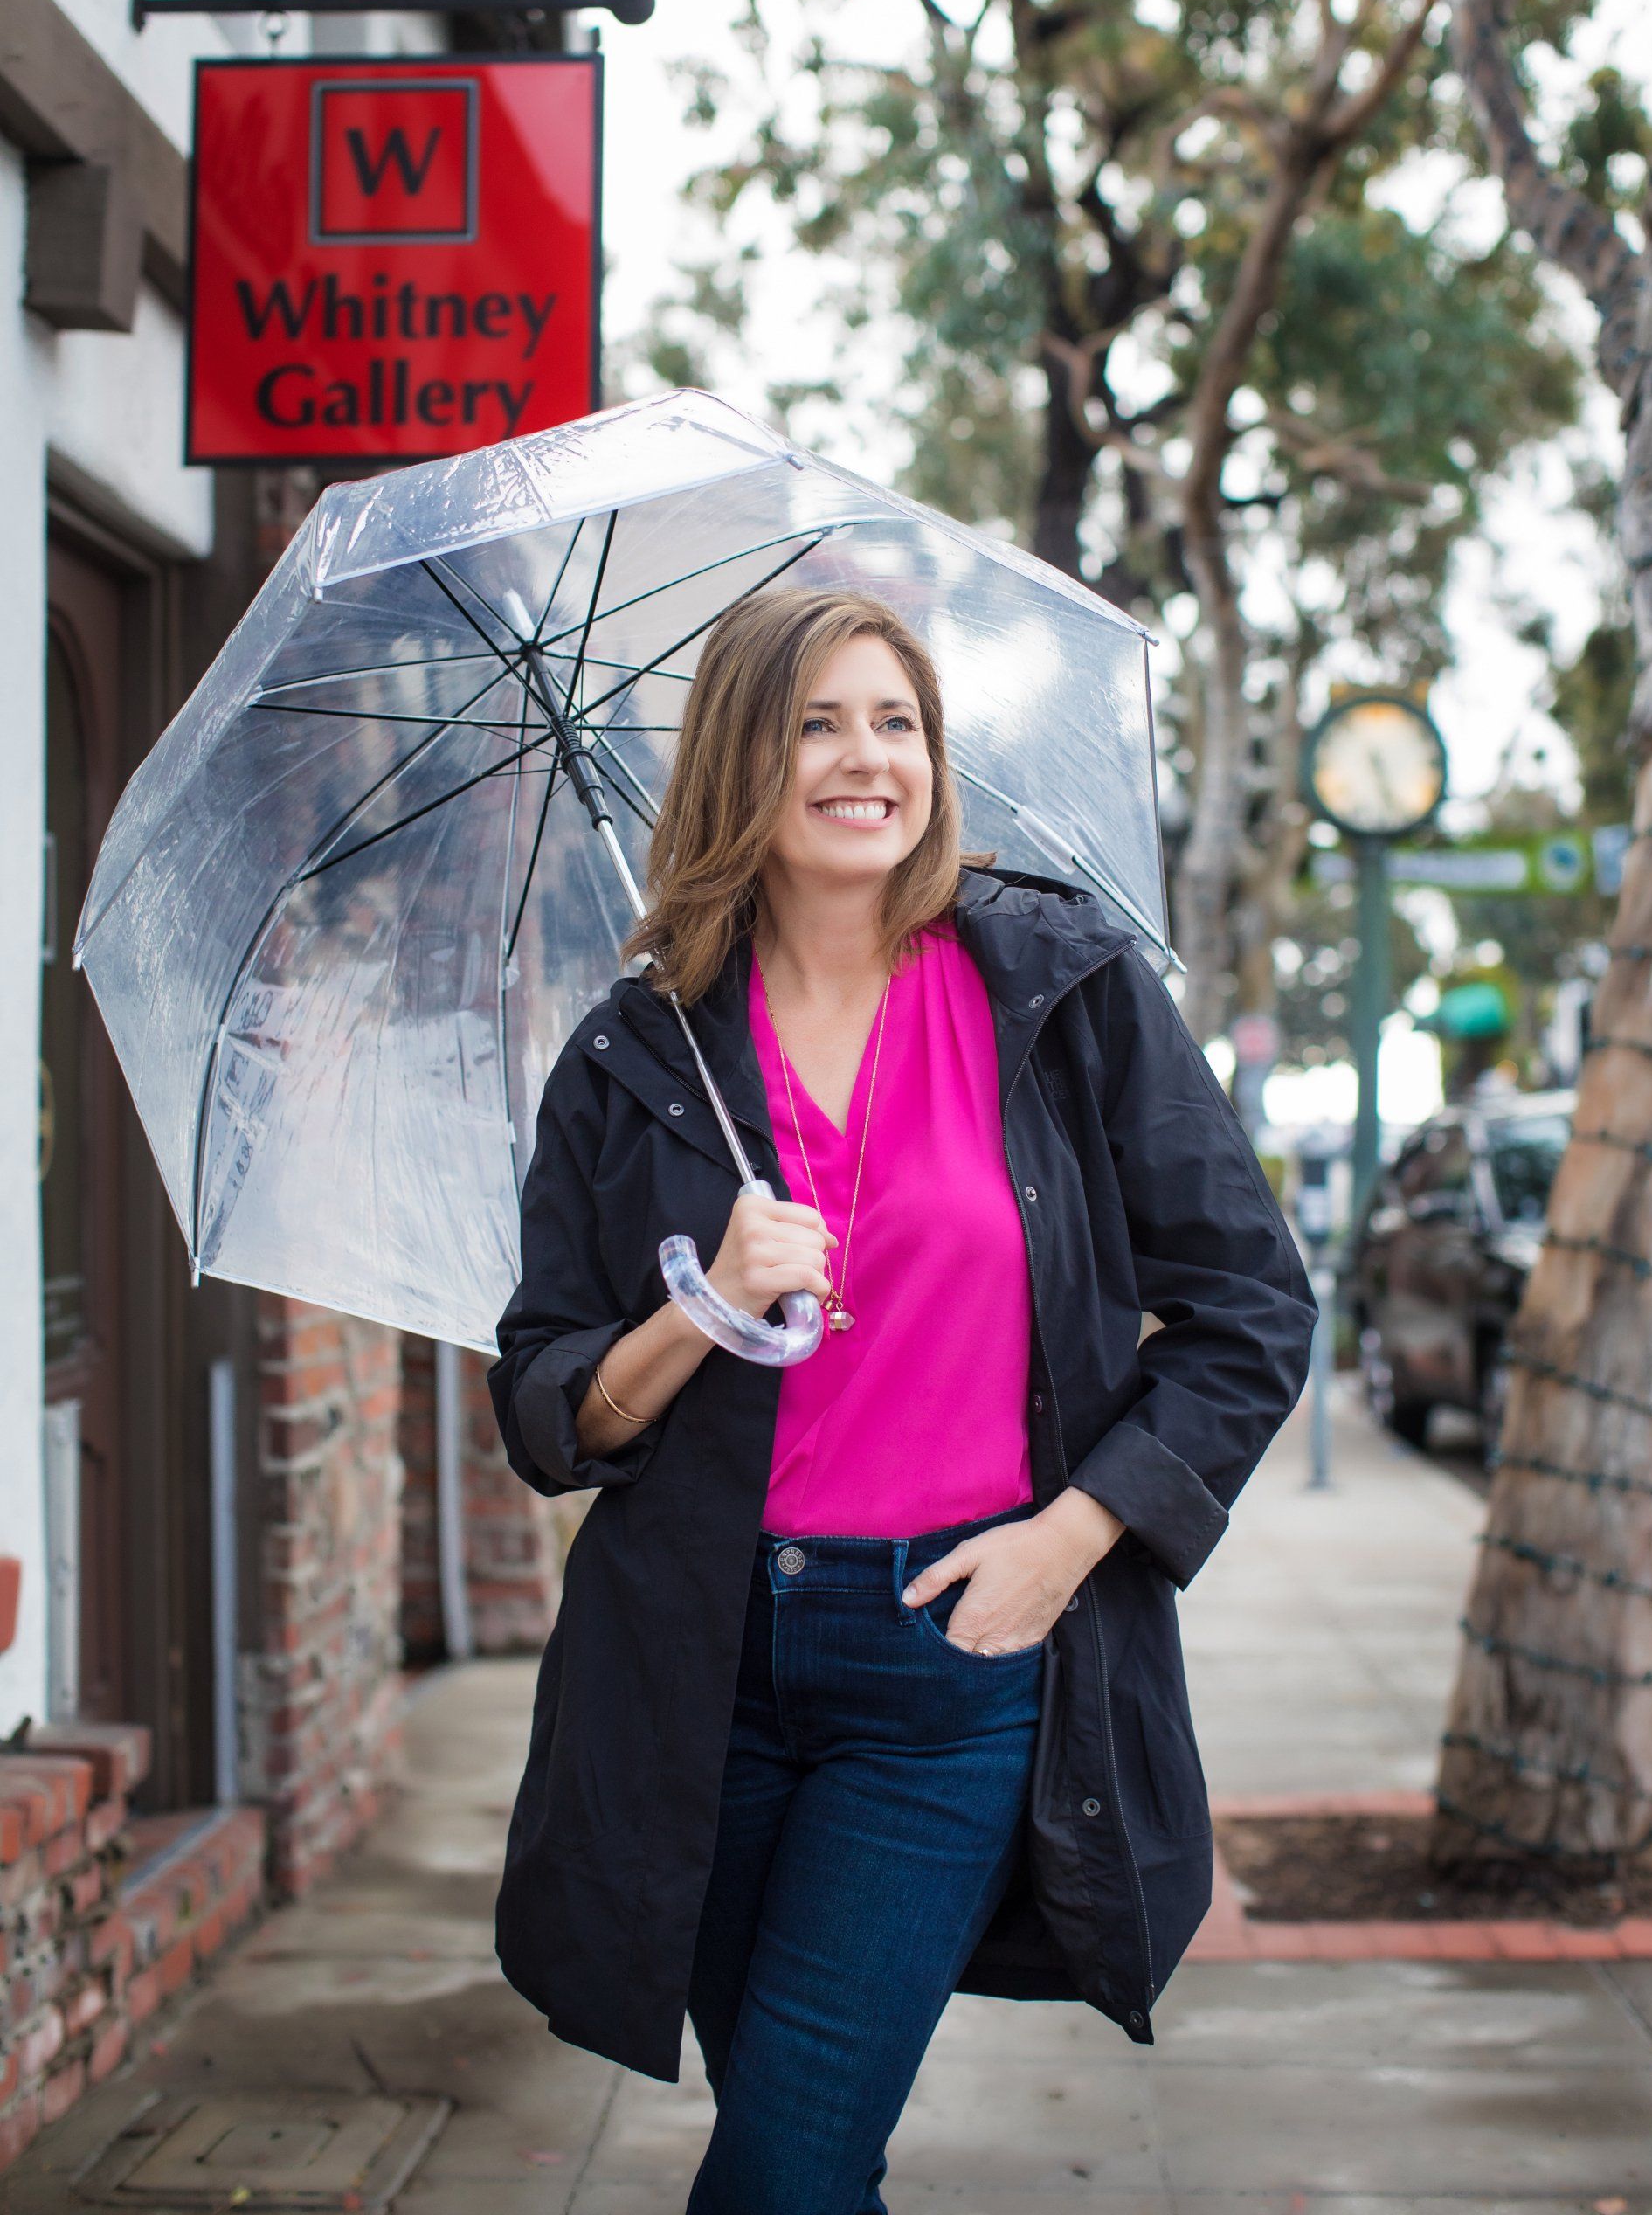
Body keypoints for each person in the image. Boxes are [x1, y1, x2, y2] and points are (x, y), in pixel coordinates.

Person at [487, 586, 1317, 2215]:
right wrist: (698, 1314)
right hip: (696, 1673)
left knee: (781, 2174)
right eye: (816, 722)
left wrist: (1067, 1544)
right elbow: (545, 1409)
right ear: (743, 758)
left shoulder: (1058, 989)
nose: (867, 759)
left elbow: (1249, 1310)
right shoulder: (637, 1056)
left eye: (898, 722)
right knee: (811, 2158)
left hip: (947, 1659)